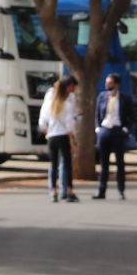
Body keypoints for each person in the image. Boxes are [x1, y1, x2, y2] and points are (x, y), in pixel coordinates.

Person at [41, 74, 79, 202]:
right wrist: (72, 141)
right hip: (63, 135)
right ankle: (69, 191)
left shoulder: (50, 103)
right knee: (67, 165)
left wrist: (47, 131)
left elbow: (43, 120)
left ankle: (53, 191)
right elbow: (69, 124)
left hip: (52, 136)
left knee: (53, 164)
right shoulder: (67, 104)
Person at [94, 73, 131, 200]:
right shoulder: (102, 96)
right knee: (104, 164)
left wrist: (125, 130)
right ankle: (101, 191)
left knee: (120, 163)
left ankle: (121, 190)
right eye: (106, 83)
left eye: (110, 83)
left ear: (117, 85)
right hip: (104, 131)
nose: (107, 85)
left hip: (117, 132)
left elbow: (131, 117)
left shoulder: (125, 98)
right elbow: (97, 114)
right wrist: (98, 128)